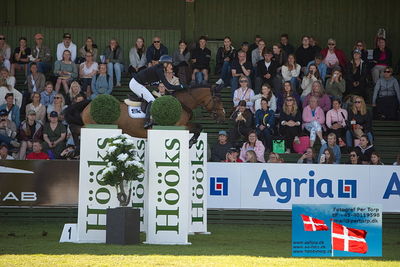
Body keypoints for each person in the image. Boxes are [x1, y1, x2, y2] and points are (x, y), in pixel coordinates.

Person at [129, 55, 186, 128]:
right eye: (170, 64)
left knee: (151, 98)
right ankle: (147, 121)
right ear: (165, 64)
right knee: (152, 100)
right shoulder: (159, 70)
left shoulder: (159, 69)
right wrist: (182, 86)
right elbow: (168, 86)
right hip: (135, 84)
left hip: (139, 83)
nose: (171, 66)